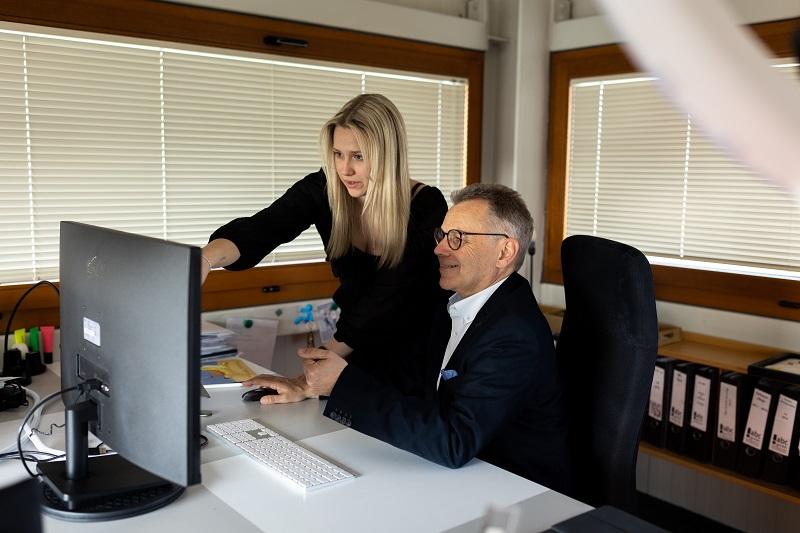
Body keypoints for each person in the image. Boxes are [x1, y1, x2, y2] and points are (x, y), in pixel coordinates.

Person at [253, 183, 571, 492]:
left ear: (504, 251)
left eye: (457, 238)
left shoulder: (514, 334)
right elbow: (405, 383)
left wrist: (342, 384)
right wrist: (312, 386)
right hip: (455, 477)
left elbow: (454, 440)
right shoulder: (454, 306)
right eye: (442, 235)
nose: (439, 248)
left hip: (515, 492)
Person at [202, 94, 448, 392]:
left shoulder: (426, 206)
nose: (345, 169)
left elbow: (387, 298)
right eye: (337, 154)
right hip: (353, 352)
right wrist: (205, 260)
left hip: (413, 359)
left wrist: (308, 379)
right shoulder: (324, 189)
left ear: (388, 155)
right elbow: (265, 227)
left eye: (358, 156)